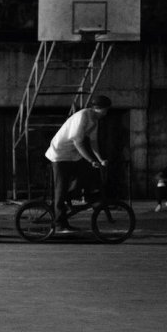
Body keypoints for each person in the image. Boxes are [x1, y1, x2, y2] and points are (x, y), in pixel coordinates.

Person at [44, 95, 111, 233]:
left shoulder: (94, 120)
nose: (106, 113)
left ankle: (68, 201)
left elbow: (93, 143)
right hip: (59, 155)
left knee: (85, 175)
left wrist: (100, 159)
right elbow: (78, 142)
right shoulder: (82, 116)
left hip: (72, 156)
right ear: (97, 108)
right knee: (60, 189)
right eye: (105, 110)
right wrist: (92, 160)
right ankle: (59, 224)